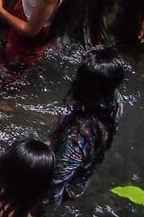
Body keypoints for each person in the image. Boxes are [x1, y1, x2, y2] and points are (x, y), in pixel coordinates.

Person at [45, 48, 125, 206]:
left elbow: (55, 186)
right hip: (82, 176)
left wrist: (36, 214)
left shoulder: (76, 138)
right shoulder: (116, 100)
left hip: (68, 185)